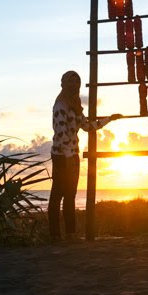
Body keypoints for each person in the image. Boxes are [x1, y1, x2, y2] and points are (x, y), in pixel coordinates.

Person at [49, 70, 122, 240]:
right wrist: (68, 158)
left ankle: (70, 234)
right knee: (57, 194)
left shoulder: (75, 106)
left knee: (70, 195)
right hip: (61, 156)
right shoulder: (61, 105)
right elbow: (61, 133)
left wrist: (109, 119)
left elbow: (87, 126)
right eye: (70, 82)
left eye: (77, 82)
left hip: (73, 155)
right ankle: (54, 235)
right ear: (63, 84)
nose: (74, 85)